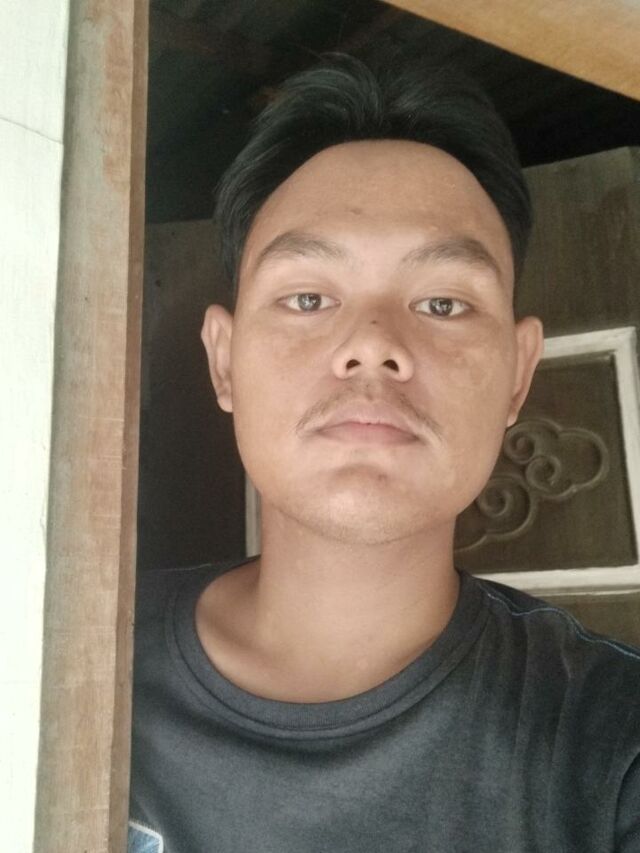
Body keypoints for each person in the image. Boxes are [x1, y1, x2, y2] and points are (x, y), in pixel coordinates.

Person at [128, 54, 640, 852]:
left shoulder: (610, 746)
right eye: (307, 297)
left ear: (517, 373)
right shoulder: (56, 652)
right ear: (225, 361)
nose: (372, 344)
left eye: (443, 302)